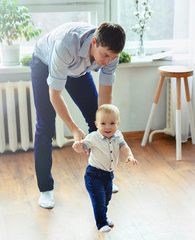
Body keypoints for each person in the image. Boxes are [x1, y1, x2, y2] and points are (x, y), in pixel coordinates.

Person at [30, 22, 126, 209]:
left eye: (112, 57)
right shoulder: (66, 44)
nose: (107, 61)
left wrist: (106, 122)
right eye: (105, 55)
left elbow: (105, 96)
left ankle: (102, 177)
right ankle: (45, 189)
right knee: (45, 125)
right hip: (45, 63)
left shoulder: (111, 55)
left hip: (79, 70)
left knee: (97, 119)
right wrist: (74, 129)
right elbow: (55, 94)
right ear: (93, 42)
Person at [73, 104, 138, 233]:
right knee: (99, 200)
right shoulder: (93, 137)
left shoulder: (118, 136)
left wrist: (129, 155)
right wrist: (78, 147)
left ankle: (103, 217)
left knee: (107, 198)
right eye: (103, 123)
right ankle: (101, 223)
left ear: (118, 123)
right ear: (97, 124)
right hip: (94, 175)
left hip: (108, 175)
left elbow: (124, 146)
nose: (108, 127)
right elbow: (83, 148)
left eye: (112, 123)